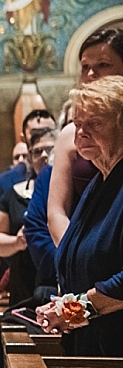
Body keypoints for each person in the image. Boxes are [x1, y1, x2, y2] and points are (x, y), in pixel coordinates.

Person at [36, 76, 123, 356]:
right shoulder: (99, 183)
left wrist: (77, 309)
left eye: (95, 123)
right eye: (77, 123)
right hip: (91, 345)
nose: (81, 132)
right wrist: (64, 304)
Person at [47, 29, 123, 246]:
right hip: (83, 249)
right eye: (85, 67)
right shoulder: (71, 133)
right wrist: (75, 258)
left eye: (103, 65)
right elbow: (56, 212)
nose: (91, 74)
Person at [0, 127, 57, 306]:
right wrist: (16, 242)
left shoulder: (77, 189)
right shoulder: (13, 194)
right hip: (24, 283)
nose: (43, 156)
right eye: (37, 151)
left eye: (49, 149)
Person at [0, 109, 55, 214]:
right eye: (36, 133)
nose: (43, 137)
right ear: (24, 138)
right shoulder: (5, 183)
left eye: (47, 131)